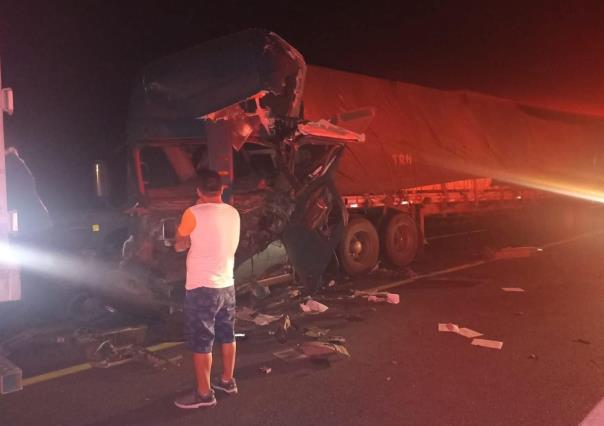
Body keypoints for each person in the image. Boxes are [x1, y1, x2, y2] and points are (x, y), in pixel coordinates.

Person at [173, 169, 241, 409]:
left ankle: (204, 395)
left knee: (202, 342)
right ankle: (227, 381)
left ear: (198, 191)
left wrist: (187, 239)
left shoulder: (192, 213)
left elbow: (179, 245)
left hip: (202, 288)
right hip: (227, 285)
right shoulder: (233, 213)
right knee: (227, 334)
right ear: (222, 189)